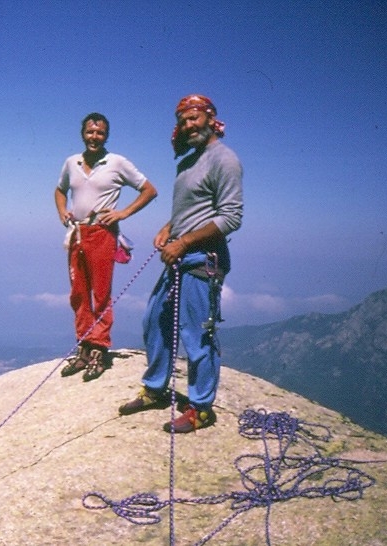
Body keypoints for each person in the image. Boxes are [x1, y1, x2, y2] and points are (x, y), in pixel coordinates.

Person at [118, 95, 243, 433]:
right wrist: (168, 228)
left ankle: (201, 408)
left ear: (210, 118)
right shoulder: (188, 163)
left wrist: (185, 241)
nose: (189, 125)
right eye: (183, 120)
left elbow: (231, 217)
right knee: (155, 320)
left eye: (194, 118)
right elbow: (188, 211)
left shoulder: (224, 160)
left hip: (203, 258)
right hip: (181, 254)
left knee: (197, 334)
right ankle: (156, 389)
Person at [55, 112, 158, 382]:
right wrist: (63, 210)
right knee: (78, 292)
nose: (94, 137)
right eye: (90, 132)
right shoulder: (71, 162)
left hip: (102, 233)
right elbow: (59, 190)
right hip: (77, 232)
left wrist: (123, 213)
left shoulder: (116, 162)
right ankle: (84, 345)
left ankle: (99, 348)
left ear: (106, 136)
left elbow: (149, 190)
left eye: (100, 133)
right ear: (83, 133)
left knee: (100, 293)